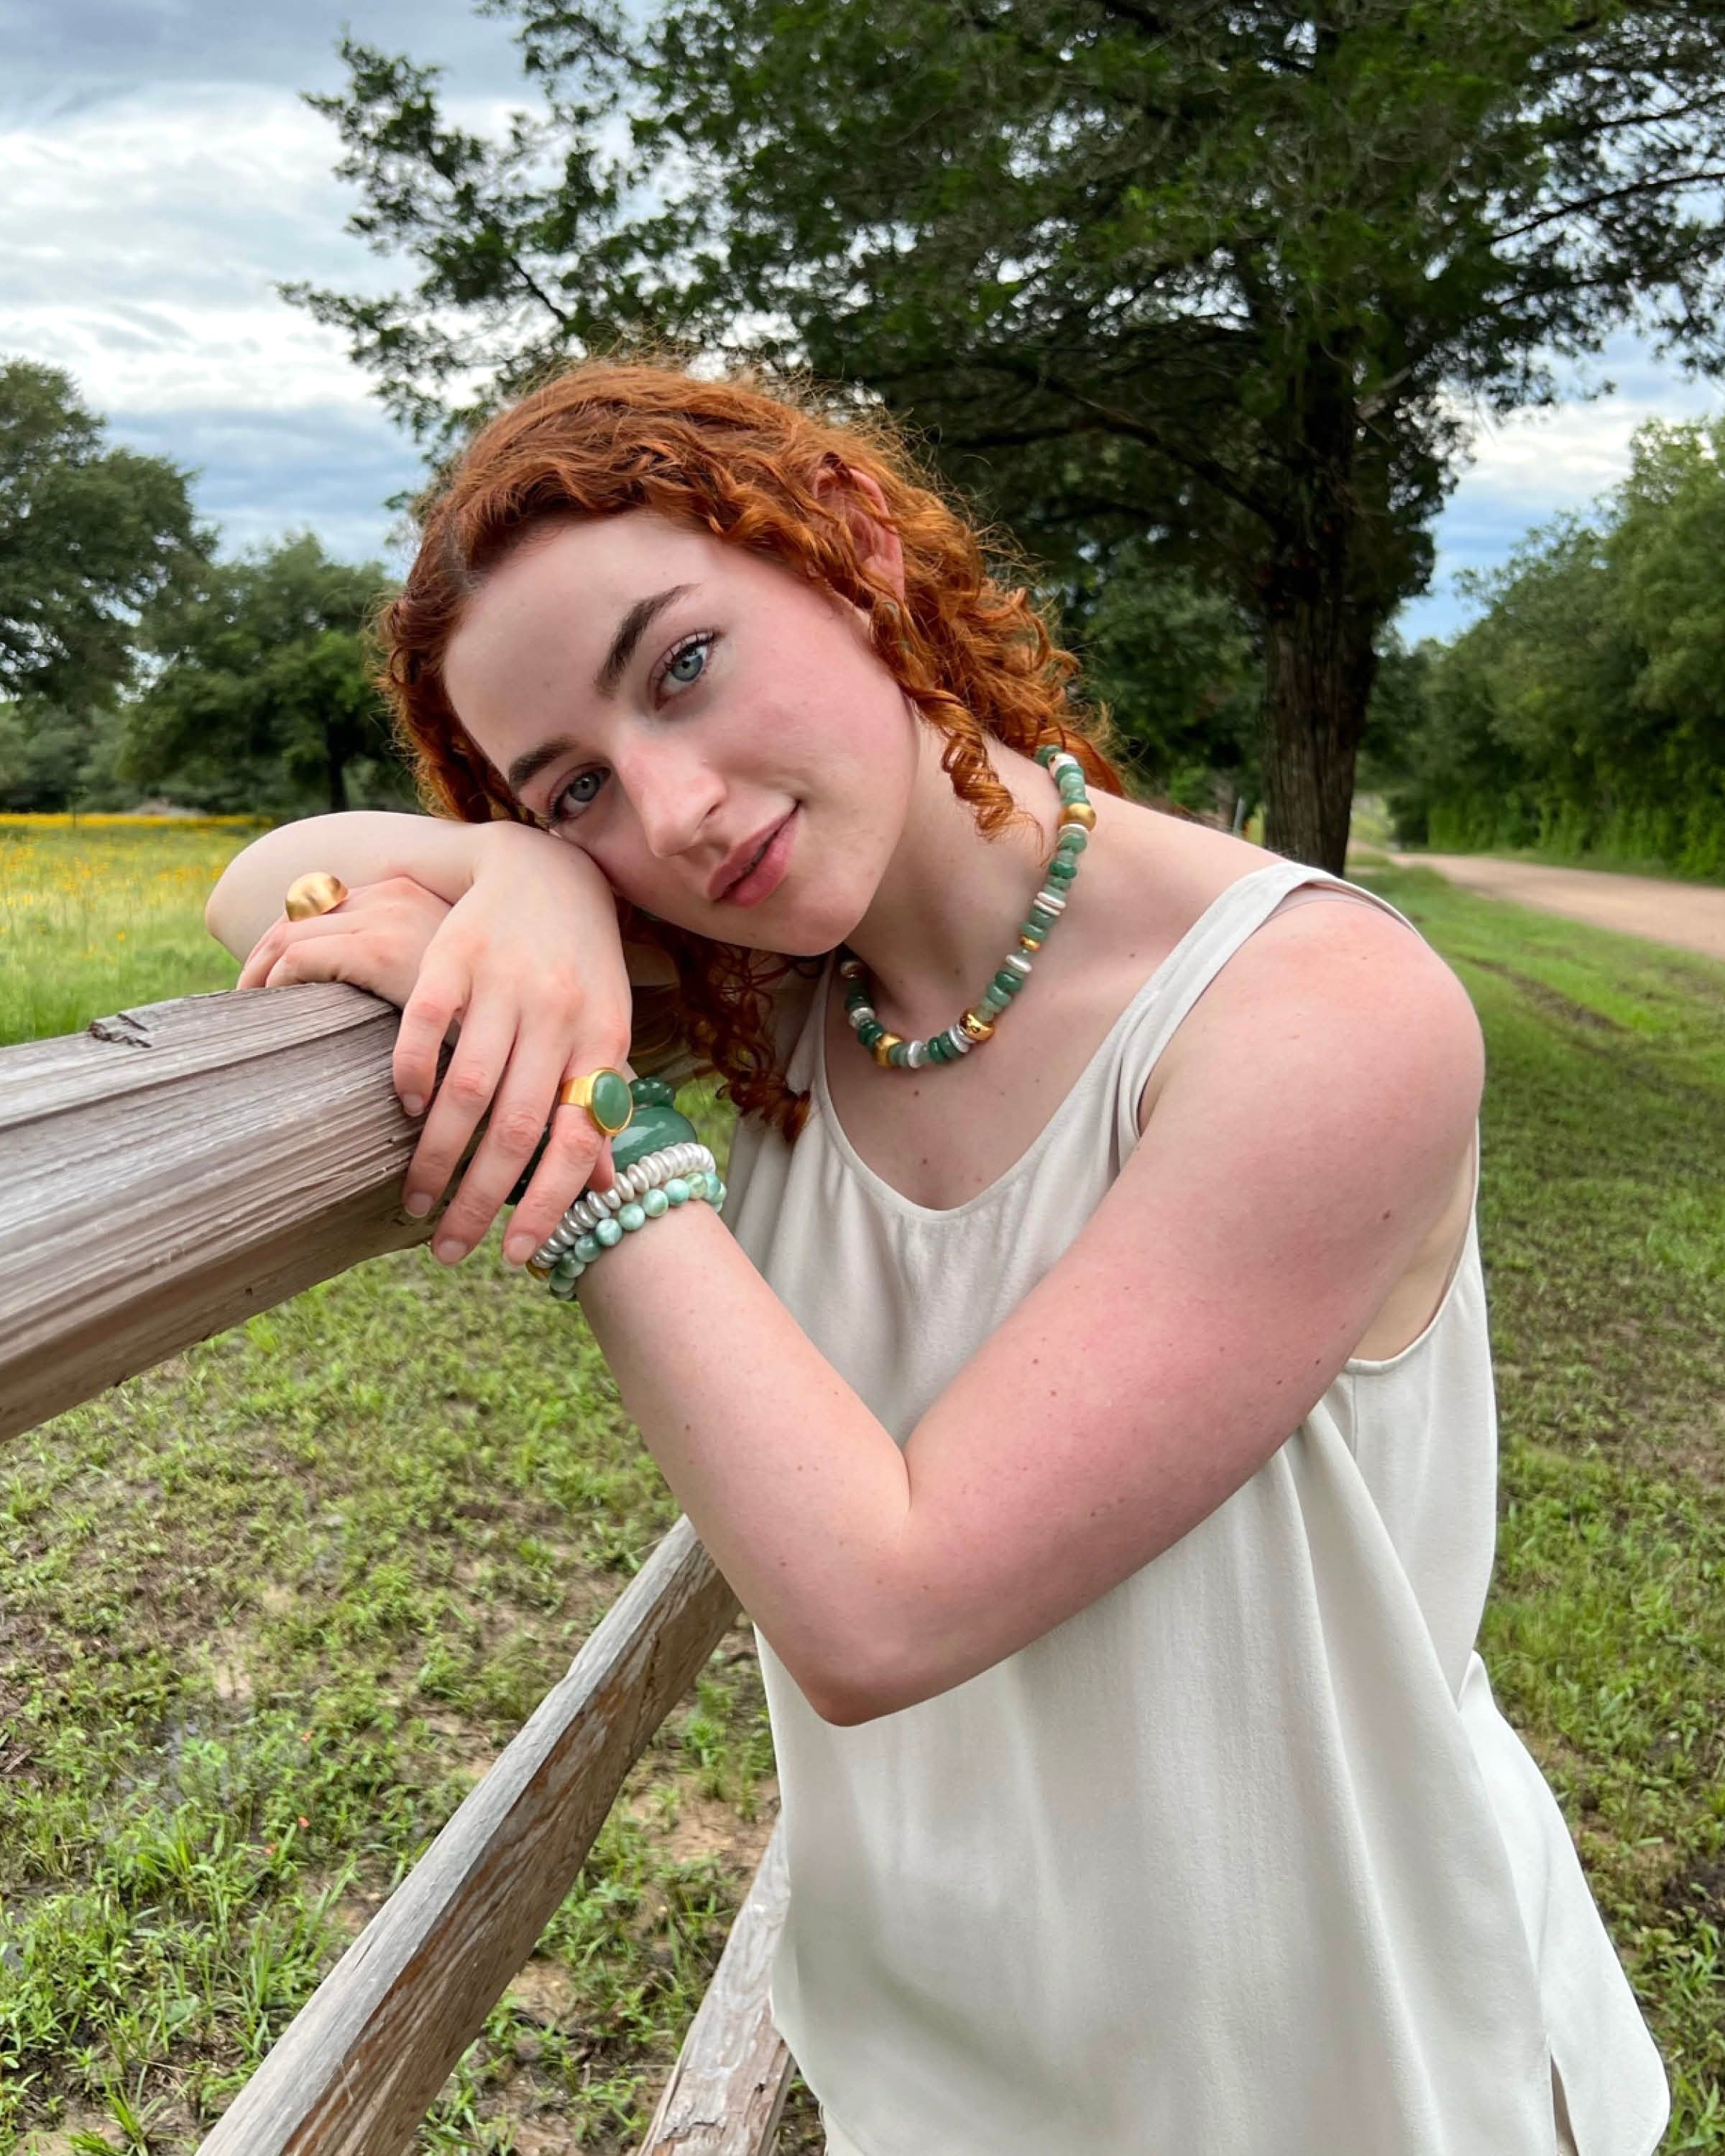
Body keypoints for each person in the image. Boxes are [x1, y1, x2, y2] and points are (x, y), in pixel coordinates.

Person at [205, 361, 1668, 2156]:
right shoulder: (773, 1001)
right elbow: (268, 876)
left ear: (858, 551)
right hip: (941, 2075)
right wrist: (527, 888)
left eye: (683, 664)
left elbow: (879, 1605)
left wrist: (590, 1142)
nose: (668, 809)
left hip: (1343, 2066)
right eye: (573, 786)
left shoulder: (1319, 1010)